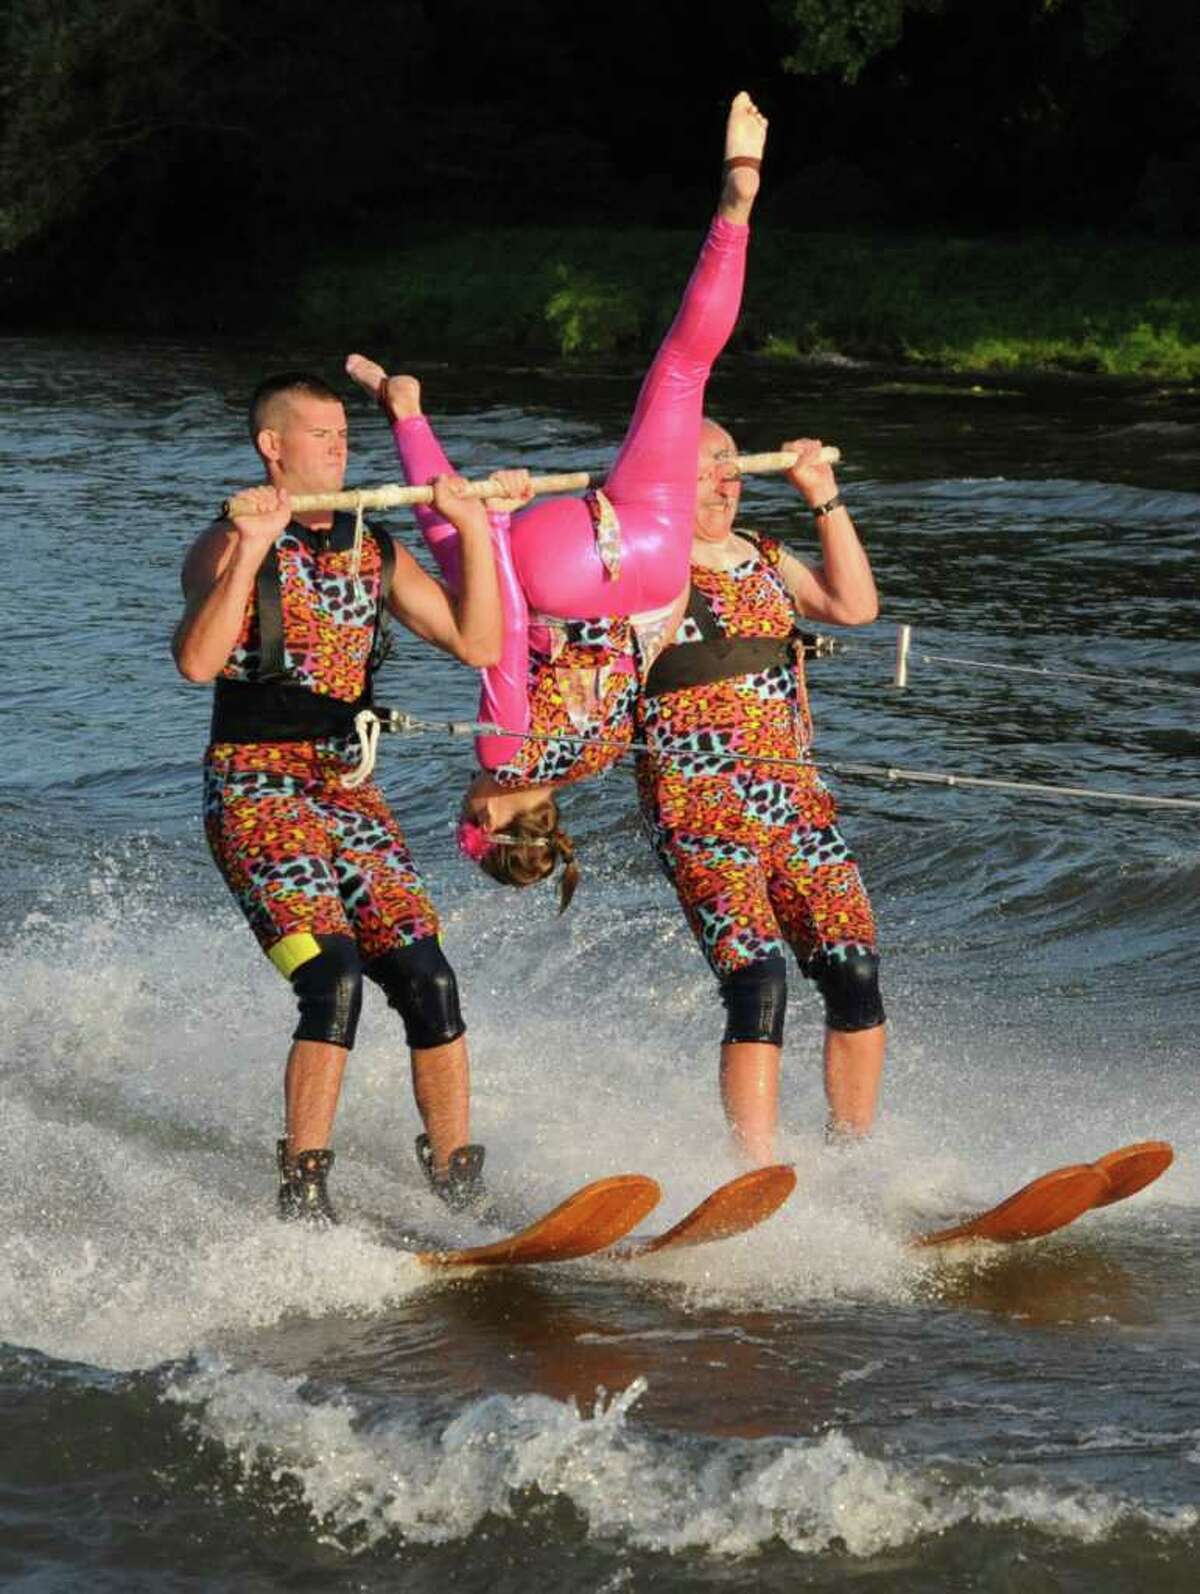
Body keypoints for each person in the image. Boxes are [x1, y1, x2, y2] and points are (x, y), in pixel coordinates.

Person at [345, 90, 768, 909]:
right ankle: (407, 414)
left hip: (653, 572)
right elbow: (501, 638)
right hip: (565, 575)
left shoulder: (588, 762)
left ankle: (739, 207)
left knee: (685, 369)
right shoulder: (505, 753)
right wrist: (493, 524)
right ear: (489, 815)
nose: (463, 799)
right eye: (467, 817)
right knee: (463, 554)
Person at [172, 371, 524, 1223]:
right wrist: (254, 546)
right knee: (331, 982)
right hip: (254, 794)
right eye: (321, 435)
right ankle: (303, 1189)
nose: (340, 447)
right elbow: (195, 661)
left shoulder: (375, 546)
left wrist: (477, 530)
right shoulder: (224, 545)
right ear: (273, 447)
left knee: (428, 980)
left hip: (347, 796)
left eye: (343, 435)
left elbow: (478, 642)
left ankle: (455, 1178)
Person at [633, 421, 886, 1160]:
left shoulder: (768, 557)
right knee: (758, 982)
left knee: (854, 971)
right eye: (705, 465)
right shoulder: (649, 572)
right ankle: (755, 1170)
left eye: (730, 464)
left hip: (795, 804)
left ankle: (853, 1154)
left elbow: (856, 607)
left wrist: (824, 497)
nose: (725, 478)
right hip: (697, 809)